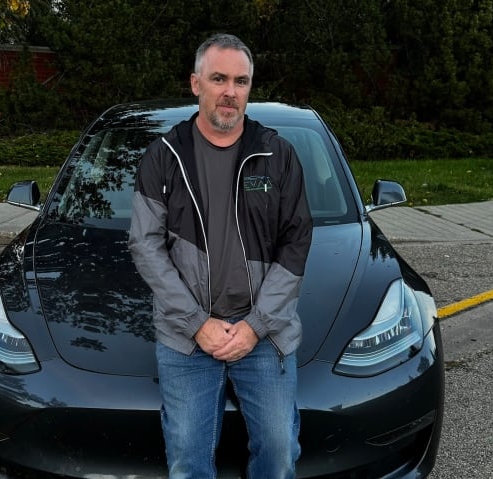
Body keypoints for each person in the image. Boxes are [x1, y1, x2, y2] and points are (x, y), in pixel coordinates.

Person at [128, 33, 313, 479]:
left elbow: (296, 242)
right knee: (188, 462)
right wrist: (197, 324)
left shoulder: (278, 156)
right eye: (219, 78)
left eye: (241, 81)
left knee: (279, 452)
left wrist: (255, 327)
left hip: (264, 335)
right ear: (196, 84)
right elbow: (145, 244)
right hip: (186, 337)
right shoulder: (163, 156)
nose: (230, 91)